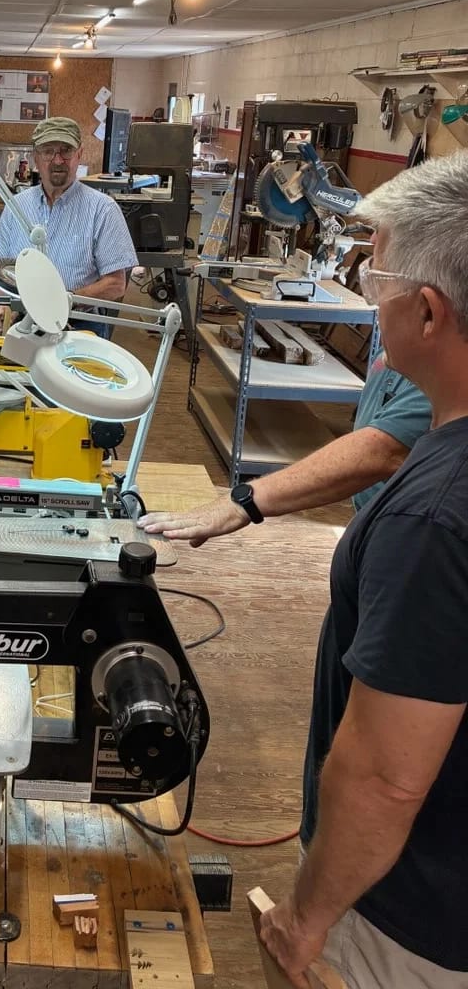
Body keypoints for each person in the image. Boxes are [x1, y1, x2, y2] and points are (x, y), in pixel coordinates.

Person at [257, 152, 468, 988]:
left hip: (412, 916)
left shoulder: (434, 517)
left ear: (428, 311)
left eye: (376, 277)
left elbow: (384, 776)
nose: (366, 294)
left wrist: (307, 917)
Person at [137, 351, 431, 544]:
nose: (373, 300)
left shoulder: (442, 371)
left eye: (380, 285)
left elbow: (381, 451)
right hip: (374, 522)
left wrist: (243, 501)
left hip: (411, 537)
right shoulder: (403, 341)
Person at [0, 117, 137, 336]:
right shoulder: (16, 207)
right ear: (35, 157)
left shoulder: (102, 209)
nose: (58, 160)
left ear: (79, 154)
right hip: (22, 323)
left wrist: (65, 301)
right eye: (48, 151)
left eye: (66, 151)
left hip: (78, 325)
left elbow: (115, 284)